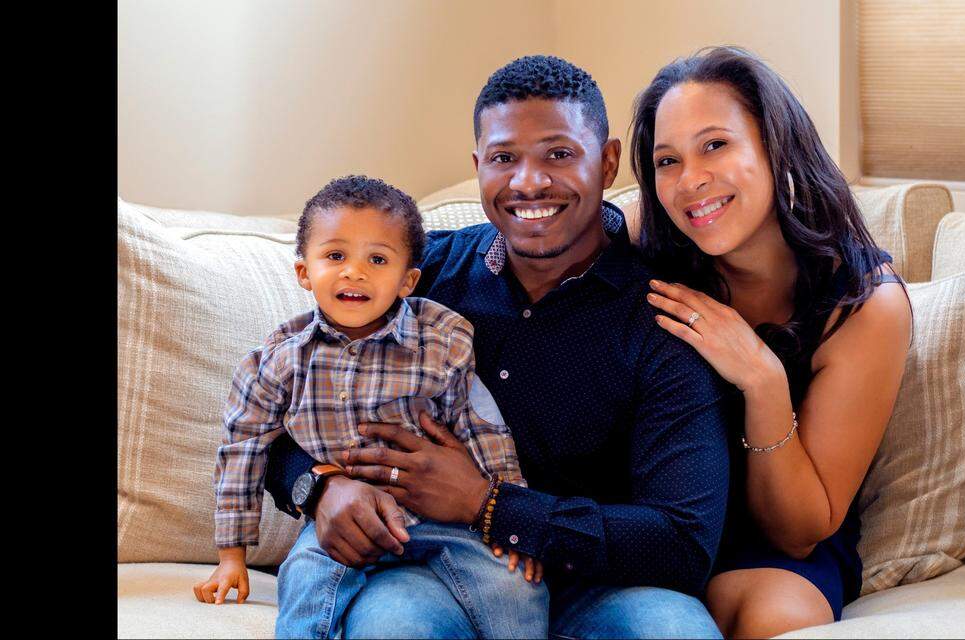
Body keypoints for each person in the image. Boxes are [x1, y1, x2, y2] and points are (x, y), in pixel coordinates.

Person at [263, 55, 733, 639]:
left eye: (559, 155)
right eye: (504, 158)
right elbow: (276, 406)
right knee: (394, 629)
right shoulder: (418, 275)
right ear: (479, 165)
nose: (528, 182)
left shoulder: (664, 317)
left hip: (607, 587)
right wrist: (321, 486)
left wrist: (488, 506)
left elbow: (683, 542)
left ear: (608, 162)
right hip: (430, 567)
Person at [630, 46, 912, 638]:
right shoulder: (643, 242)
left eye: (715, 145)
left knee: (777, 619)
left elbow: (799, 529)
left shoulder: (863, 304)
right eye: (666, 160)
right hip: (653, 516)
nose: (691, 181)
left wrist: (762, 379)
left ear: (775, 145)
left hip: (772, 548)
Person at [192, 175, 548, 639]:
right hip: (339, 529)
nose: (354, 272)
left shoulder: (440, 341)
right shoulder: (280, 360)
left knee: (517, 586)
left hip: (444, 521)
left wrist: (509, 516)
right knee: (302, 581)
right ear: (304, 272)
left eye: (376, 259)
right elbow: (242, 447)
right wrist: (231, 555)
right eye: (335, 256)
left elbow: (483, 427)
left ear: (407, 281)